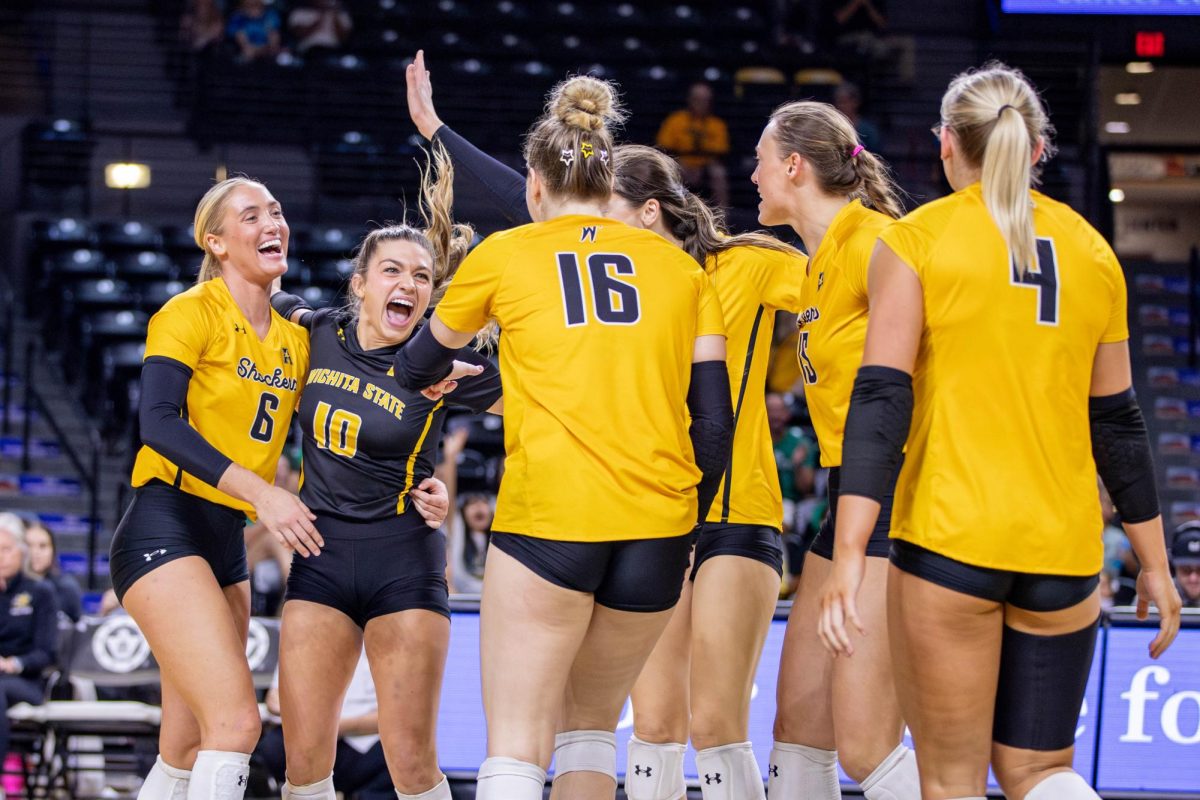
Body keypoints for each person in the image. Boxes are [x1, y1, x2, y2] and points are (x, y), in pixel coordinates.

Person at [407, 51, 808, 799]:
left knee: (670, 725)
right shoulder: (665, 275)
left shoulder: (730, 265)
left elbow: (847, 279)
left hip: (660, 511)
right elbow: (707, 419)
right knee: (630, 722)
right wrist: (437, 132)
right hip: (662, 516)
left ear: (647, 210)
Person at [819, 63, 1182, 800]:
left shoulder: (918, 241)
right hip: (1064, 553)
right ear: (1038, 147)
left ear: (947, 144)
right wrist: (1156, 562)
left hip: (952, 542)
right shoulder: (1092, 252)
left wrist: (851, 550)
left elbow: (882, 398)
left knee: (950, 781)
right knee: (1041, 774)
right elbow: (1116, 421)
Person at [268, 144, 497, 800]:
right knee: (305, 761)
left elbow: (544, 397)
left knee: (412, 763)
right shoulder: (316, 331)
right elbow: (261, 294)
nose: (408, 284)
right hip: (321, 554)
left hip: (405, 557)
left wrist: (448, 486)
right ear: (360, 284)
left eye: (422, 276)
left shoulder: (444, 364)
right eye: (392, 270)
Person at [108, 176, 314, 800]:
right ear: (216, 242)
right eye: (251, 216)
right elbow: (157, 423)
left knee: (187, 743)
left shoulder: (297, 338)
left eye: (276, 212)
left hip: (225, 541)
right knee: (237, 722)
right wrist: (265, 492)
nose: (271, 223)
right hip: (163, 527)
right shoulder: (189, 310)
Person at [750, 101, 918, 799]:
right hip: (843, 491)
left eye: (760, 160)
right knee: (798, 725)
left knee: (867, 743)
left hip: (896, 491)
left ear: (793, 165)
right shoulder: (818, 261)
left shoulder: (877, 241)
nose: (751, 174)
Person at [255, 649, 392, 800]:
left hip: (361, 742)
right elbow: (274, 699)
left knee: (397, 755)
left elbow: (397, 715)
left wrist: (333, 727)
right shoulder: (300, 643)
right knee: (271, 747)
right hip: (305, 733)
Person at [0, 514, 58, 770]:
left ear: (22, 552)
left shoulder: (40, 592)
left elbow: (47, 653)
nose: (0, 556)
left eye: (6, 549)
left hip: (27, 681)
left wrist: (13, 664)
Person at [655, 82, 731, 209]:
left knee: (719, 172)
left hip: (706, 164)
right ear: (689, 99)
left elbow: (720, 151)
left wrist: (701, 166)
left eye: (705, 100)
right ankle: (670, 209)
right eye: (697, 99)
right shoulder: (675, 120)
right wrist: (684, 163)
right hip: (680, 162)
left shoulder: (717, 124)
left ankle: (723, 214)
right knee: (667, 169)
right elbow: (664, 146)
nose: (701, 103)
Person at [24, 519, 83, 622]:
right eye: (29, 545)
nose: (35, 552)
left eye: (43, 546)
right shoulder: (7, 587)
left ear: (53, 551)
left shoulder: (67, 588)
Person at [286, 0, 353, 57]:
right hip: (307, 52)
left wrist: (334, 13)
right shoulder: (299, 12)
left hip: (333, 52)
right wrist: (321, 14)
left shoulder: (340, 14)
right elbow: (298, 35)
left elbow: (344, 38)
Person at [1171, 522, 1200, 609]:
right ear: (1173, 569)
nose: (1193, 578)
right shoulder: (1155, 595)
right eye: (1185, 570)